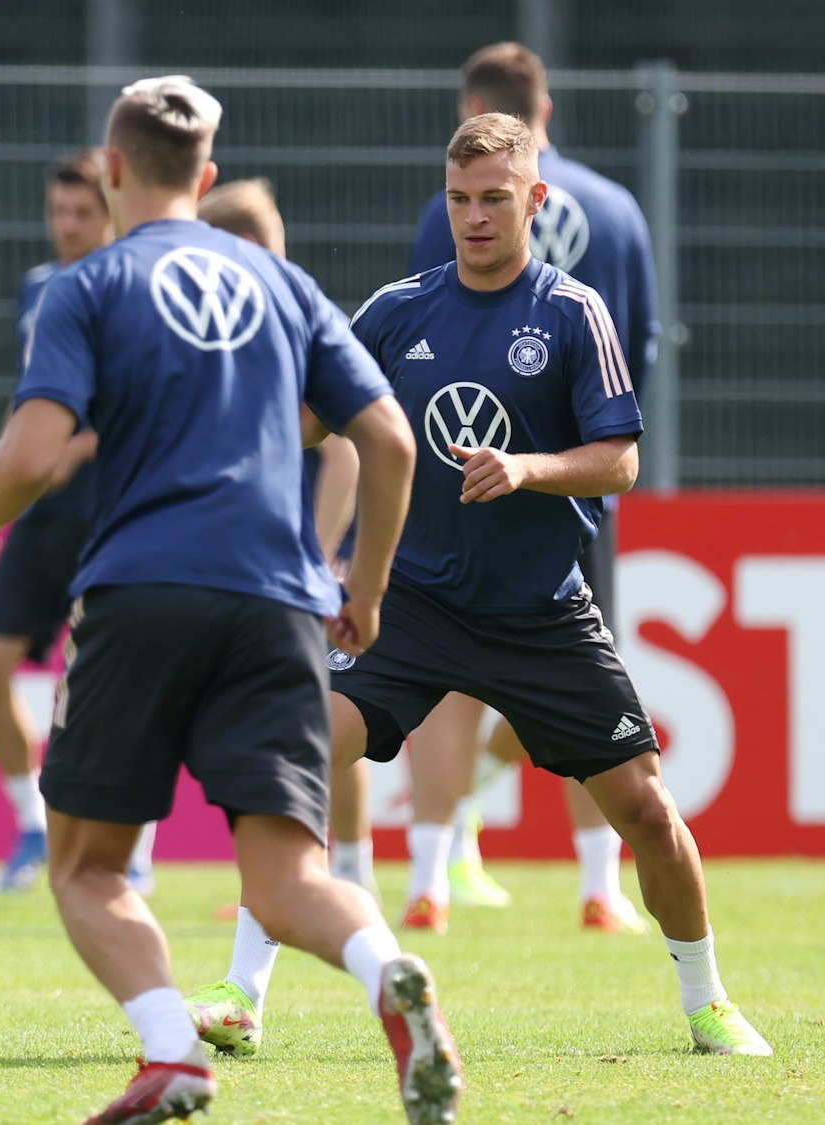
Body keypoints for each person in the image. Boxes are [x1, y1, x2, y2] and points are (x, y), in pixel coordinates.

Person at [0, 76, 459, 1124]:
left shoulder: (87, 285)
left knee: (86, 867)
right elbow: (390, 440)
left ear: (111, 170)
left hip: (141, 591)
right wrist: (363, 589)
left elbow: (32, 452)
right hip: (277, 604)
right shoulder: (283, 285)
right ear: (205, 175)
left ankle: (171, 1051)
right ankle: (383, 968)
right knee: (286, 879)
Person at [195, 112, 770, 1062]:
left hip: (541, 612)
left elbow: (621, 459)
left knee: (647, 811)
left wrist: (528, 468)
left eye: (495, 198)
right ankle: (241, 994)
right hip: (414, 606)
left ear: (535, 199)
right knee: (291, 757)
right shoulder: (397, 310)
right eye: (459, 199)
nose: (474, 217)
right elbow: (310, 420)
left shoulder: (574, 312)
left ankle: (708, 1002)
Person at [393, 41, 662, 932]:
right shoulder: (619, 209)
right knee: (586, 669)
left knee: (450, 680)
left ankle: (431, 872)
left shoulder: (450, 205)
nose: (475, 213)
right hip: (579, 482)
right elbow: (642, 345)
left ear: (475, 111)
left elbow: (430, 333)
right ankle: (599, 885)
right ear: (546, 105)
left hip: (457, 465)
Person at [0, 151, 161, 896]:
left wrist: (78, 448)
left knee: (109, 680)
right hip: (42, 515)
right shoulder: (40, 288)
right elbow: (28, 405)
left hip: (114, 511)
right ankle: (32, 825)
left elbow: (149, 400)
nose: (68, 226)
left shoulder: (136, 287)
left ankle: (132, 845)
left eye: (83, 213)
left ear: (112, 214)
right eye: (58, 212)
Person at [197, 177, 381, 909]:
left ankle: (344, 877)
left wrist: (321, 553)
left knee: (320, 708)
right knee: (306, 712)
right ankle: (321, 876)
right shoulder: (260, 317)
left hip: (307, 555)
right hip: (280, 553)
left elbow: (347, 449)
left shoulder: (293, 319)